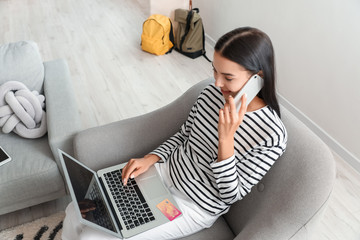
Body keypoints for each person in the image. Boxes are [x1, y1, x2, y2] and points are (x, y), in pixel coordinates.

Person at [62, 26, 288, 240]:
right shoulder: (211, 93)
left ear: (257, 77)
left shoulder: (271, 135)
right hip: (161, 174)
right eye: (214, 71)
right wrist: (150, 159)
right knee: (77, 208)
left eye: (228, 77)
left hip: (190, 206)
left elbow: (230, 194)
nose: (217, 83)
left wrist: (226, 139)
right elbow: (183, 135)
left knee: (92, 236)